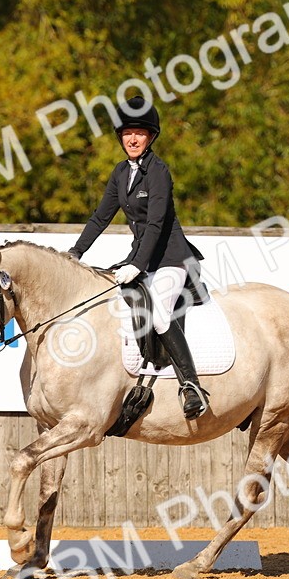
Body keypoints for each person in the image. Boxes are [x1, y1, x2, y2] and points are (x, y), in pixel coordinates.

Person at [67, 96, 210, 419]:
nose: (132, 139)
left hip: (172, 259)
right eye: (127, 133)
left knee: (159, 314)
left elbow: (157, 224)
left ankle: (191, 386)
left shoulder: (159, 172)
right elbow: (100, 217)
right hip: (143, 258)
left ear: (151, 137)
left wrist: (136, 264)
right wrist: (76, 252)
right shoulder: (121, 173)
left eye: (140, 133)